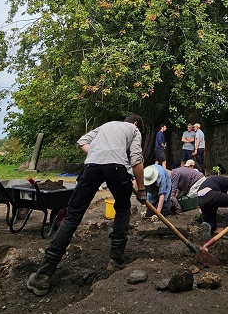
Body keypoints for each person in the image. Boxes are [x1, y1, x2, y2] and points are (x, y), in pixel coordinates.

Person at [27, 115, 146, 296]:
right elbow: (136, 160)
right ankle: (115, 261)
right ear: (136, 123)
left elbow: (82, 141)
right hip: (117, 168)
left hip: (91, 166)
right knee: (122, 209)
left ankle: (43, 275)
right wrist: (142, 190)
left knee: (73, 215)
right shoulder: (134, 129)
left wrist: (98, 153)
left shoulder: (105, 123)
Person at [197, 175, 228, 239]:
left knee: (212, 223)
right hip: (211, 193)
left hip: (201, 198)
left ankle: (208, 226)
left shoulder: (218, 181)